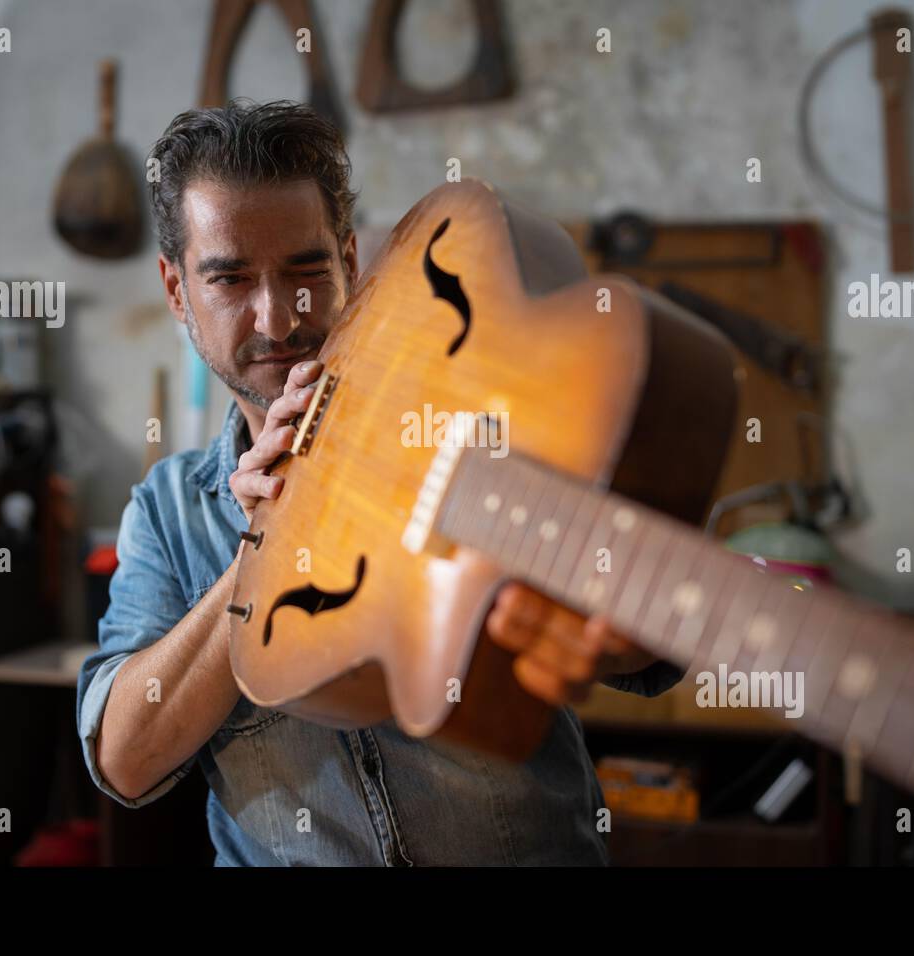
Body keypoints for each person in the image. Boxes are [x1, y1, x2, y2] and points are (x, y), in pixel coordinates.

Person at [76, 100, 683, 865]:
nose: (277, 316)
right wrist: (262, 551)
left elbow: (642, 649)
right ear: (176, 292)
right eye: (230, 278)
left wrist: (602, 623)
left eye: (306, 268)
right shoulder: (167, 512)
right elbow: (125, 757)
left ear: (350, 262)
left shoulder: (468, 417)